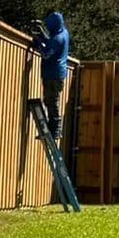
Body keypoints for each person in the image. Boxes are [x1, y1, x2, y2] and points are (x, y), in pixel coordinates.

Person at [30, 11, 71, 146]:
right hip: (55, 73)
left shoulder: (58, 39)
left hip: (53, 74)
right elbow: (50, 42)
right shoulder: (63, 33)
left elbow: (47, 54)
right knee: (51, 100)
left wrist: (37, 41)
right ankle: (53, 126)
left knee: (51, 101)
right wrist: (42, 35)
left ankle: (55, 129)